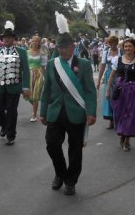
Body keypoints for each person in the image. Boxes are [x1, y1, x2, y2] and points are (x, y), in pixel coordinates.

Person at [40, 13, 96, 196]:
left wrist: (91, 112)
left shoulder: (84, 64)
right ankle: (60, 173)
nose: (62, 50)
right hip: (55, 111)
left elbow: (90, 91)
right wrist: (43, 111)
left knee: (75, 149)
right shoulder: (52, 64)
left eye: (65, 47)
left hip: (76, 112)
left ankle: (71, 180)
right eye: (60, 47)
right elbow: (46, 90)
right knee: (51, 144)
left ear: (73, 47)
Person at [0, 21, 31, 146]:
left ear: (13, 39)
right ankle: (4, 125)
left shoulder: (21, 51)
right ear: (2, 39)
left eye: (9, 37)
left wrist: (26, 87)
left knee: (12, 111)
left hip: (15, 86)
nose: (6, 39)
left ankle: (11, 135)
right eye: (5, 37)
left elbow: (26, 70)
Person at [106, 37, 135, 151]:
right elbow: (112, 76)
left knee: (130, 114)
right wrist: (107, 90)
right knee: (119, 113)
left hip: (133, 90)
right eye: (125, 46)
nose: (127, 48)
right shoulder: (118, 60)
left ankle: (126, 140)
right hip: (119, 89)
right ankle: (122, 134)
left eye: (130, 46)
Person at [97, 35, 120, 129]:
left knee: (119, 97)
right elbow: (102, 67)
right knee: (109, 97)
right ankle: (111, 120)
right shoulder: (106, 52)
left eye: (114, 43)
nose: (113, 45)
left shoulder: (121, 52)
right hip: (109, 75)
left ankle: (118, 119)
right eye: (111, 43)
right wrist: (99, 80)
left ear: (117, 43)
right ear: (109, 43)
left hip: (119, 76)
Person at [27, 36, 47, 122]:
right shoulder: (27, 52)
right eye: (33, 41)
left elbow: (43, 67)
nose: (34, 42)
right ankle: (35, 106)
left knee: (35, 95)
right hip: (29, 74)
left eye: (36, 41)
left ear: (39, 43)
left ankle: (34, 114)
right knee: (27, 95)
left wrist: (46, 78)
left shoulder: (42, 53)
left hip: (39, 74)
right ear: (31, 42)